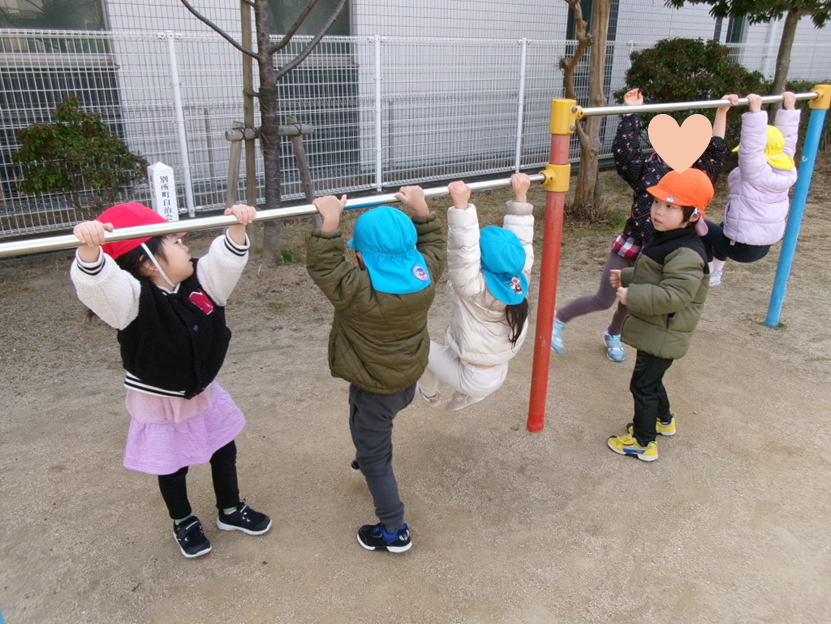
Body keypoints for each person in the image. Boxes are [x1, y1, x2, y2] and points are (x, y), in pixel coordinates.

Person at [70, 202, 271, 559]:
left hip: (202, 389)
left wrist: (238, 226)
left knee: (224, 447)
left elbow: (224, 263)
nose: (186, 249)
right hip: (160, 399)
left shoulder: (202, 283)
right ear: (148, 260)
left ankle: (229, 509)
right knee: (172, 464)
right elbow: (100, 284)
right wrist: (89, 250)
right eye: (176, 244)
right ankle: (184, 520)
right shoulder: (131, 301)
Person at [306, 191, 446, 553]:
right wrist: (422, 208)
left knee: (376, 454)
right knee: (363, 420)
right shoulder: (426, 274)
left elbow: (324, 266)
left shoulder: (357, 291)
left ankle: (393, 529)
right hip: (404, 379)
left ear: (360, 256)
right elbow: (435, 243)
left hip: (375, 387)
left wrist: (331, 220)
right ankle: (363, 454)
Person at [550, 87, 729, 361]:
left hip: (660, 254)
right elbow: (625, 151)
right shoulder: (647, 169)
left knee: (632, 300)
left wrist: (721, 112)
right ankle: (559, 319)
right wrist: (631, 112)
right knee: (604, 298)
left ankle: (613, 333)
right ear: (658, 146)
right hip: (632, 245)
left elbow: (715, 153)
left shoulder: (693, 179)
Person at [606, 169, 713, 461]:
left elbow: (676, 295)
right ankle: (663, 420)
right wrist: (628, 276)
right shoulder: (669, 238)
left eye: (670, 206)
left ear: (692, 215)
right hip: (658, 331)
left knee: (642, 384)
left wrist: (633, 296)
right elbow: (655, 273)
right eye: (656, 204)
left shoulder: (687, 251)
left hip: (664, 332)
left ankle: (643, 441)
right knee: (652, 379)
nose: (658, 211)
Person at [416, 174, 534, 412]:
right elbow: (521, 242)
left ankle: (430, 394)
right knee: (467, 351)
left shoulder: (473, 287)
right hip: (497, 368)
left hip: (475, 376)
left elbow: (464, 249)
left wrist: (462, 207)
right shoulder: (520, 279)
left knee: (416, 346)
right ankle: (467, 396)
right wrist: (520, 197)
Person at [696, 92, 800, 287]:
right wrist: (790, 109)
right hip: (763, 244)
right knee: (723, 226)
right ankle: (717, 272)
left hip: (742, 246)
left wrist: (755, 112)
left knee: (699, 225)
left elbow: (752, 148)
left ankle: (708, 271)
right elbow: (788, 142)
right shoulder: (785, 167)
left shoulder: (756, 172)